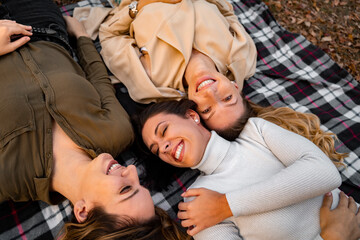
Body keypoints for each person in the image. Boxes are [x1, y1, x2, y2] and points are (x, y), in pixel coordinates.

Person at [0, 1, 188, 239]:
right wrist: (81, 36)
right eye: (139, 184)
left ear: (83, 211)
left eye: (126, 188)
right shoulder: (117, 132)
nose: (131, 169)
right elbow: (98, 78)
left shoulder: (8, 178)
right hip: (41, 24)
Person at [139, 99, 359, 239]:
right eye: (157, 149)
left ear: (192, 116)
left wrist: (227, 205)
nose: (164, 147)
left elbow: (324, 173)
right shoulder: (195, 203)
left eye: (164, 130)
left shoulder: (257, 132)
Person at [97, 0, 257, 132]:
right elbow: (227, 13)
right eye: (227, 98)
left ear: (194, 110)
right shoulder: (241, 57)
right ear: (236, 87)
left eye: (207, 109)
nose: (210, 92)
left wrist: (140, 5)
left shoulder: (152, 78)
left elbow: (109, 34)